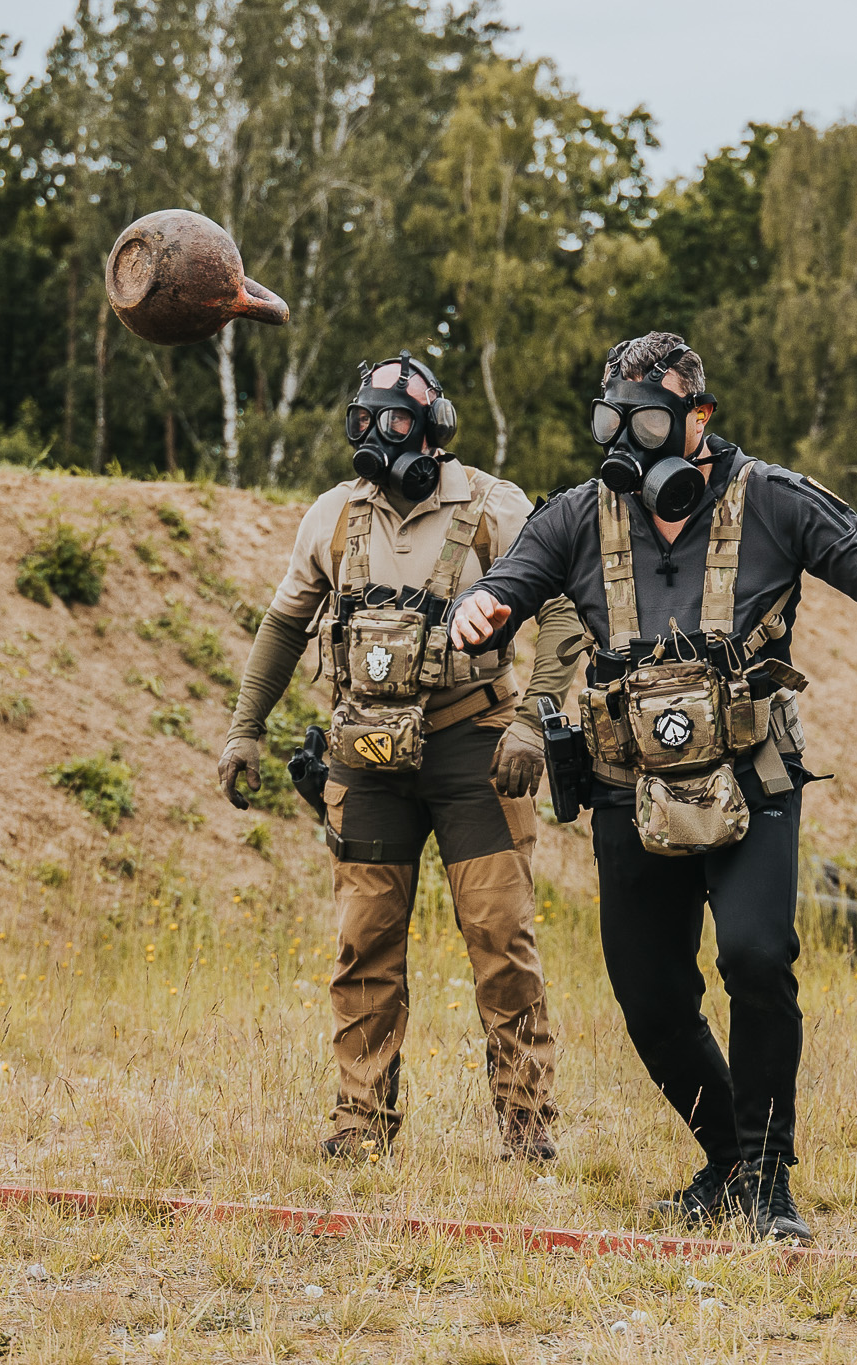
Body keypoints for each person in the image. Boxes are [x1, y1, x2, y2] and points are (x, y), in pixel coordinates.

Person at [447, 332, 857, 1241]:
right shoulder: (577, 516)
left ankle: (768, 1181)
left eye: (649, 421)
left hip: (752, 779)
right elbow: (506, 584)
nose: (628, 441)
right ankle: (730, 1161)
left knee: (755, 959)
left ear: (699, 419)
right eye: (610, 422)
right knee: (650, 997)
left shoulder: (775, 501)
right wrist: (482, 607)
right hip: (627, 785)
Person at [218, 351, 583, 1162]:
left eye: (397, 423)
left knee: (500, 938)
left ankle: (526, 1128)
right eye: (363, 423)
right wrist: (246, 726)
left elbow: (563, 614)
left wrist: (531, 724)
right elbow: (283, 626)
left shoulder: (496, 509)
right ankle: (360, 1126)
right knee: (365, 941)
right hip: (366, 755)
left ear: (435, 430)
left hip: (476, 752)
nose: (378, 440)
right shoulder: (333, 517)